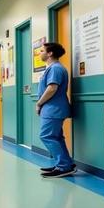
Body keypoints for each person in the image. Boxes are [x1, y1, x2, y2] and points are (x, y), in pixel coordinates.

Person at [35, 42, 75, 178]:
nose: (40, 53)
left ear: (50, 53)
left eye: (42, 51)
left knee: (46, 136)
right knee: (56, 137)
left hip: (53, 109)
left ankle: (63, 166)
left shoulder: (56, 69)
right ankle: (66, 163)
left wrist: (39, 103)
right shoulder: (52, 68)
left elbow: (52, 88)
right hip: (53, 108)